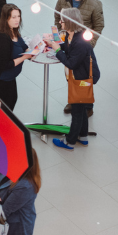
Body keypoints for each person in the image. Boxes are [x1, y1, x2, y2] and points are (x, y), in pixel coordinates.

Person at [47, 9, 99, 150]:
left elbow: (71, 63)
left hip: (81, 80)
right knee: (81, 109)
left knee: (76, 111)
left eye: (62, 20)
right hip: (79, 77)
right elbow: (69, 48)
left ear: (69, 22)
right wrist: (54, 45)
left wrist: (58, 51)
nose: (59, 22)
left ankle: (69, 142)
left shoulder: (81, 42)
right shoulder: (71, 35)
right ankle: (83, 137)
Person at [54, 0, 105, 115]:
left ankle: (88, 105)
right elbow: (57, 17)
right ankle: (74, 100)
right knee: (71, 75)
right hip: (70, 43)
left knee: (85, 75)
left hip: (83, 46)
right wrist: (61, 35)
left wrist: (90, 44)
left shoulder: (95, 4)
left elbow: (99, 26)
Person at [0, 4, 34, 110]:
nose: (17, 20)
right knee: (5, 108)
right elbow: (5, 64)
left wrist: (38, 48)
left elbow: (23, 46)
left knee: (11, 101)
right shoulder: (2, 37)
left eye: (18, 16)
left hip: (9, 78)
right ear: (6, 18)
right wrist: (25, 57)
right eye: (14, 17)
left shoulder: (14, 30)